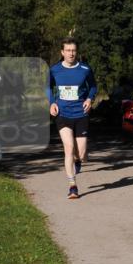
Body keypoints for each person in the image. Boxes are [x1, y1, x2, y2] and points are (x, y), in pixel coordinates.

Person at [48, 38, 97, 200]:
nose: (71, 53)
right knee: (68, 148)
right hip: (63, 113)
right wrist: (52, 103)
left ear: (77, 52)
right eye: (68, 50)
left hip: (81, 113)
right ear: (62, 52)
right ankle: (72, 185)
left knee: (81, 153)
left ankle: (78, 161)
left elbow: (93, 86)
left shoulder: (85, 69)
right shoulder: (54, 69)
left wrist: (90, 99)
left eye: (73, 50)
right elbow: (48, 87)